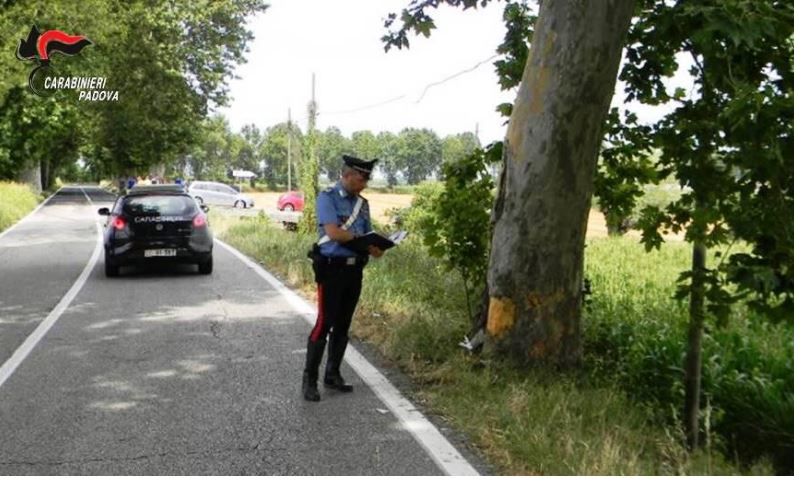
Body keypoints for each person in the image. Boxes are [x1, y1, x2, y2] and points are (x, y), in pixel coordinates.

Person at [302, 154, 385, 402]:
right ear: (347, 175)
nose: (364, 183)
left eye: (366, 179)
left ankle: (333, 374)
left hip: (354, 269)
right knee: (324, 323)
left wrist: (376, 247)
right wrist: (360, 240)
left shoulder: (363, 204)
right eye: (361, 178)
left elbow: (366, 234)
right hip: (331, 269)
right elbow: (334, 233)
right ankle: (309, 380)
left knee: (343, 324)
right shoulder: (327, 198)